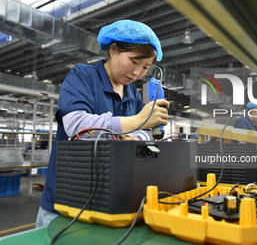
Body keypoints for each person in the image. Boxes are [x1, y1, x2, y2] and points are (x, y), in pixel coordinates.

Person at [36, 20, 169, 228]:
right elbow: (77, 126)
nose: (137, 73)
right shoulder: (83, 76)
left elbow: (144, 135)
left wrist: (135, 135)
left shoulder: (133, 93)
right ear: (114, 50)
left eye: (145, 67)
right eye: (134, 62)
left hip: (110, 206)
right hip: (65, 206)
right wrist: (136, 122)